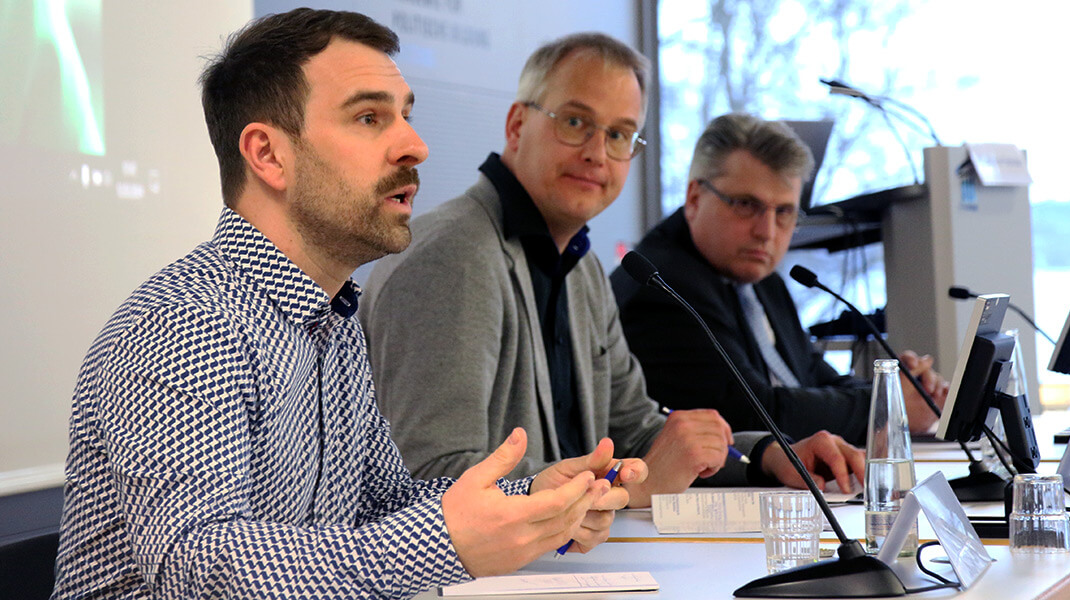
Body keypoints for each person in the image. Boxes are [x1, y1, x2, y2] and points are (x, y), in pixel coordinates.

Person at [50, 10, 647, 600]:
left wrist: (535, 498)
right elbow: (201, 565)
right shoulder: (185, 321)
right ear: (268, 155)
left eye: (406, 117)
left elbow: (384, 501)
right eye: (369, 118)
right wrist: (448, 542)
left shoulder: (331, 322)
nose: (415, 146)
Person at [359, 33, 864, 509]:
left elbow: (637, 433)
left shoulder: (581, 270)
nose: (597, 154)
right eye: (575, 122)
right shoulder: (452, 256)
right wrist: (619, 486)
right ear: (517, 126)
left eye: (620, 134)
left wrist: (765, 457)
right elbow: (429, 480)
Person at [610, 113, 948, 447]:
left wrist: (894, 388)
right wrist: (888, 407)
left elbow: (813, 376)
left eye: (784, 212)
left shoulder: (761, 281)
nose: (766, 232)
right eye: (746, 204)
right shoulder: (662, 287)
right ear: (694, 198)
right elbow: (752, 414)